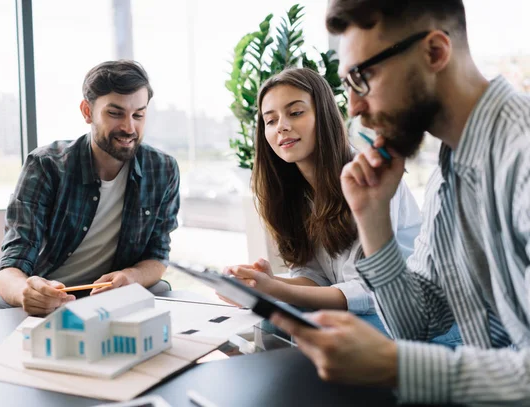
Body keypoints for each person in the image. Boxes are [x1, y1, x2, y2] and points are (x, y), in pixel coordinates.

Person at [271, 1, 530, 405]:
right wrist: (373, 219)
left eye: (363, 77)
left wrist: (398, 365)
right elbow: (419, 323)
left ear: (434, 53)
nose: (353, 108)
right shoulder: (452, 168)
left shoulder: (522, 155)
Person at [223, 68, 425, 337]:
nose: (281, 126)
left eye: (295, 112)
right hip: (370, 312)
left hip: (416, 316)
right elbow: (316, 278)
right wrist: (265, 283)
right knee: (272, 323)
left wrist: (275, 290)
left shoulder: (367, 176)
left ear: (325, 116)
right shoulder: (292, 192)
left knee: (313, 331)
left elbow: (368, 292)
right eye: (270, 121)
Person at [0, 60, 180, 316]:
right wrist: (28, 293)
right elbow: (12, 264)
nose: (128, 127)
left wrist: (131, 276)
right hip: (42, 293)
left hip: (107, 297)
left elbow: (158, 256)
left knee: (162, 292)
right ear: (87, 111)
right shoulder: (47, 166)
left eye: (138, 115)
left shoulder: (162, 169)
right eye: (115, 113)